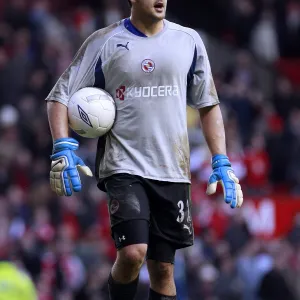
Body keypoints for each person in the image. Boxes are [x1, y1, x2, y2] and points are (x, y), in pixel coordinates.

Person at [46, 0, 243, 299]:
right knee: (133, 253)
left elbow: (208, 105)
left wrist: (222, 161)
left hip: (172, 170)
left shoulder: (188, 40)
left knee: (163, 270)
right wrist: (61, 146)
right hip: (123, 166)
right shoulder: (105, 41)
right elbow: (60, 96)